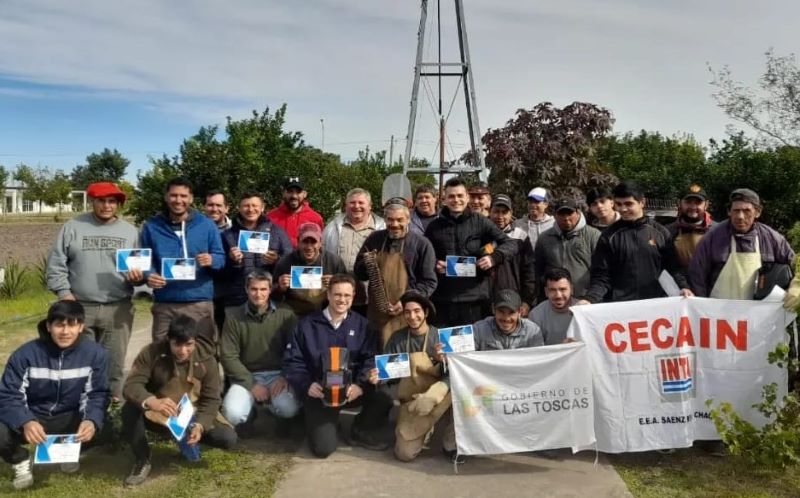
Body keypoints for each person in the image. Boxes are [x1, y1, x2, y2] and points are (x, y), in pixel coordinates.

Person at [0, 302, 109, 490]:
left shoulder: (96, 354)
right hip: (34, 415)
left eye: (72, 324)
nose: (65, 331)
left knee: (103, 424)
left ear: (81, 327)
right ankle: (20, 460)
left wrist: (91, 421)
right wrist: (26, 421)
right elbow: (9, 395)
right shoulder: (25, 354)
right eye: (59, 324)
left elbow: (97, 394)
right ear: (49, 326)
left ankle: (69, 453)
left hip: (69, 416)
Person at [283, 274, 393, 458]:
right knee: (323, 449)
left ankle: (360, 429)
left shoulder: (364, 326)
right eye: (337, 294)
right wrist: (307, 384)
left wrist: (360, 384)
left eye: (347, 295)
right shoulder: (306, 325)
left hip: (351, 391)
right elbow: (293, 361)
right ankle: (321, 423)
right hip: (320, 394)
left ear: (353, 296)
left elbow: (370, 359)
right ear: (328, 295)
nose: (342, 300)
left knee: (383, 399)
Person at [45, 181, 137, 401]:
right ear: (92, 201)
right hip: (79, 306)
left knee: (114, 362)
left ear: (118, 204)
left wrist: (139, 278)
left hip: (118, 307)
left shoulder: (131, 232)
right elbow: (56, 263)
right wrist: (64, 293)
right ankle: (77, 405)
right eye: (101, 201)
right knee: (79, 360)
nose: (106, 206)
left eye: (112, 201)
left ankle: (111, 403)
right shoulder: (73, 226)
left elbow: (141, 267)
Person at [121, 315, 236, 487]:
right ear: (169, 340)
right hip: (159, 412)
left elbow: (211, 399)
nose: (183, 350)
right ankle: (142, 459)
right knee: (129, 409)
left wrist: (200, 425)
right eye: (177, 344)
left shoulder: (207, 359)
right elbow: (131, 385)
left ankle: (189, 439)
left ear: (195, 341)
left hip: (192, 413)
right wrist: (151, 400)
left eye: (189, 344)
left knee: (228, 438)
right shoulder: (151, 353)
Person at [368, 291, 453, 462]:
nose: (412, 316)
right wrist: (378, 376)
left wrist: (443, 362)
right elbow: (388, 373)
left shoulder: (441, 337)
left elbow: (457, 374)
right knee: (404, 454)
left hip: (439, 398)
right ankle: (423, 429)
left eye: (417, 311)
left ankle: (451, 443)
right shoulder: (397, 338)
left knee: (464, 396)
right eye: (407, 312)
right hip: (412, 402)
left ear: (426, 312)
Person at [138, 177, 225, 342]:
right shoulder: (152, 226)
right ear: (166, 197)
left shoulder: (206, 225)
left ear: (191, 198)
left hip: (199, 302)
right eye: (173, 195)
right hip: (165, 302)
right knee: (162, 351)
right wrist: (149, 275)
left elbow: (221, 257)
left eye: (183, 196)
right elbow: (145, 259)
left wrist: (212, 260)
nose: (178, 200)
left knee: (202, 351)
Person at [579, 181, 692, 304]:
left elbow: (674, 267)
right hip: (621, 306)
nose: (623, 209)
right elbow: (601, 276)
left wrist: (684, 287)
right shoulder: (608, 236)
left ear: (642, 202)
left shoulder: (661, 233)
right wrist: (590, 299)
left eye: (628, 204)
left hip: (656, 304)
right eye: (619, 204)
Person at [425, 177, 517, 327]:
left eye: (460, 195)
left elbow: (511, 243)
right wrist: (434, 264)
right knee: (446, 342)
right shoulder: (433, 227)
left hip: (475, 301)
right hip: (444, 301)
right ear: (444, 199)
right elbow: (425, 255)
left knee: (475, 342)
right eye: (451, 196)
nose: (456, 200)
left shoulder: (481, 221)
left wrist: (494, 257)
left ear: (467, 197)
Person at [220, 270, 300, 432]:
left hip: (278, 375)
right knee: (232, 414)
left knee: (289, 409)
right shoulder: (233, 316)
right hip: (246, 375)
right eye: (254, 289)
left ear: (270, 290)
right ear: (246, 289)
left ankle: (276, 413)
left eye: (263, 289)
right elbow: (228, 356)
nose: (258, 294)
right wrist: (252, 384)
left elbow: (296, 350)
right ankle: (249, 414)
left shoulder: (286, 314)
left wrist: (285, 376)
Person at [354, 201, 437, 347]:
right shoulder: (374, 239)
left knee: (403, 354)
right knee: (377, 353)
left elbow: (429, 282)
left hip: (408, 315)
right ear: (385, 220)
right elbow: (359, 273)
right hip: (377, 314)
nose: (394, 224)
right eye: (390, 220)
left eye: (400, 220)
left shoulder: (421, 244)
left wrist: (406, 301)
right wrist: (366, 263)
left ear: (408, 219)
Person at [689, 188, 794, 299]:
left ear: (757, 212)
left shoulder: (771, 237)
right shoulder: (713, 237)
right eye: (736, 210)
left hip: (758, 309)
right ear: (729, 211)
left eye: (747, 211)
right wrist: (701, 304)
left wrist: (795, 286)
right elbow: (696, 275)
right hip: (719, 308)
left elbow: (793, 264)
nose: (740, 216)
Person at [218, 192, 292, 321]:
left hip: (270, 298)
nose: (250, 209)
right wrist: (232, 261)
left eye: (254, 205)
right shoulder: (227, 235)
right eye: (246, 206)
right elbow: (219, 272)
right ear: (239, 208)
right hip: (237, 299)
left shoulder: (277, 232)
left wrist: (277, 260)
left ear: (262, 207)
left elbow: (290, 262)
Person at [323, 188, 386, 316]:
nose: (356, 206)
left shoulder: (382, 228)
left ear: (370, 206)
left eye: (361, 203)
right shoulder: (332, 227)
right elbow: (324, 256)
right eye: (352, 203)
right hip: (339, 296)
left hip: (370, 298)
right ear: (345, 206)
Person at [273, 222, 348, 316]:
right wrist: (280, 288)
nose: (309, 247)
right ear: (298, 242)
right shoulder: (285, 262)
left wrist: (335, 285)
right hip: (294, 313)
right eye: (305, 242)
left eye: (313, 242)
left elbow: (347, 291)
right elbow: (272, 296)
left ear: (320, 243)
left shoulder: (334, 261)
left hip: (326, 313)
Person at [534, 198, 600, 300]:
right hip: (554, 299)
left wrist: (592, 297)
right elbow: (538, 270)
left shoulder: (593, 235)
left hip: (584, 299)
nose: (566, 218)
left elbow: (601, 271)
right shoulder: (544, 238)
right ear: (555, 216)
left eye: (569, 213)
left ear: (577, 213)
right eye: (561, 214)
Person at [488, 194, 536, 313]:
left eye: (504, 212)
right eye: (496, 211)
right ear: (490, 212)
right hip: (485, 300)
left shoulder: (521, 237)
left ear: (511, 214)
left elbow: (530, 272)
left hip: (513, 301)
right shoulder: (480, 235)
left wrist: (527, 301)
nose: (500, 216)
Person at [665, 184, 716, 274]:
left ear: (706, 205)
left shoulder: (718, 231)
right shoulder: (667, 232)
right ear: (680, 203)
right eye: (688, 202)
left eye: (698, 203)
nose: (693, 207)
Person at [267, 177, 324, 248]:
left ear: (305, 194)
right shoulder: (270, 217)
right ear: (283, 193)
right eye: (290, 191)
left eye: (298, 192)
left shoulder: (316, 219)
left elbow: (320, 246)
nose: (294, 196)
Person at [530, 268, 578, 345]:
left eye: (563, 289)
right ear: (546, 292)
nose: (558, 295)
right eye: (552, 290)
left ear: (571, 289)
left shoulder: (582, 310)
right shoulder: (536, 315)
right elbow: (535, 348)